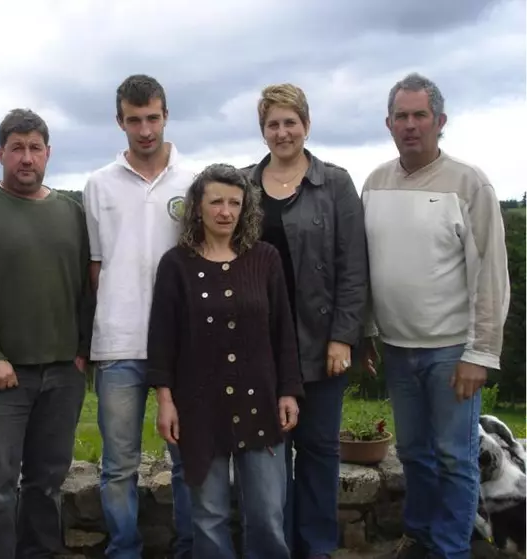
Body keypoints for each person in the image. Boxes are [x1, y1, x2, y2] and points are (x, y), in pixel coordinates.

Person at [361, 73, 510, 559]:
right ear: (388, 123)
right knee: (414, 455)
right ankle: (421, 535)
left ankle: (450, 549)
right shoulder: (375, 182)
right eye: (401, 116)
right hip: (398, 349)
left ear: (440, 121)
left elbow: (491, 273)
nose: (410, 125)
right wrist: (365, 334)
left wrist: (480, 352)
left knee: (454, 457)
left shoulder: (470, 184)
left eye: (419, 115)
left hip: (452, 352)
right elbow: (366, 267)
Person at [0, 108, 93, 559]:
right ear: (0, 153)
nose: (26, 158)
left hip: (63, 374)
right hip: (0, 378)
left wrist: (83, 351)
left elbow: (88, 286)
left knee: (47, 485)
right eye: (16, 149)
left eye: (34, 148)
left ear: (48, 153)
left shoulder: (72, 211)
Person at [147, 163, 304, 559]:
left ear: (245, 207)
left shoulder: (265, 258)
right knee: (209, 516)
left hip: (261, 404)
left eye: (235, 202)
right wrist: (165, 401)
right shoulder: (176, 264)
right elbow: (163, 340)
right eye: (216, 201)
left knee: (268, 512)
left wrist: (288, 391)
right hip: (199, 406)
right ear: (197, 207)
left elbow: (283, 332)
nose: (225, 211)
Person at [243, 84, 369, 559]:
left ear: (307, 125)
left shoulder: (335, 183)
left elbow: (353, 267)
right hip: (260, 349)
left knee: (317, 453)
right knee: (268, 460)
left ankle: (315, 549)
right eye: (273, 124)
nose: (282, 132)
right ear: (263, 131)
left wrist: (343, 337)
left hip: (320, 348)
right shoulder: (243, 186)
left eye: (290, 122)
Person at [82, 74, 193, 559]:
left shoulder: (194, 180)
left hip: (184, 345)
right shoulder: (98, 183)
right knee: (118, 465)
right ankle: (124, 551)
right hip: (118, 341)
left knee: (189, 460)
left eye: (152, 118)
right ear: (119, 121)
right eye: (134, 120)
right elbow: (95, 265)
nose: (145, 130)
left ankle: (190, 549)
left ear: (166, 115)